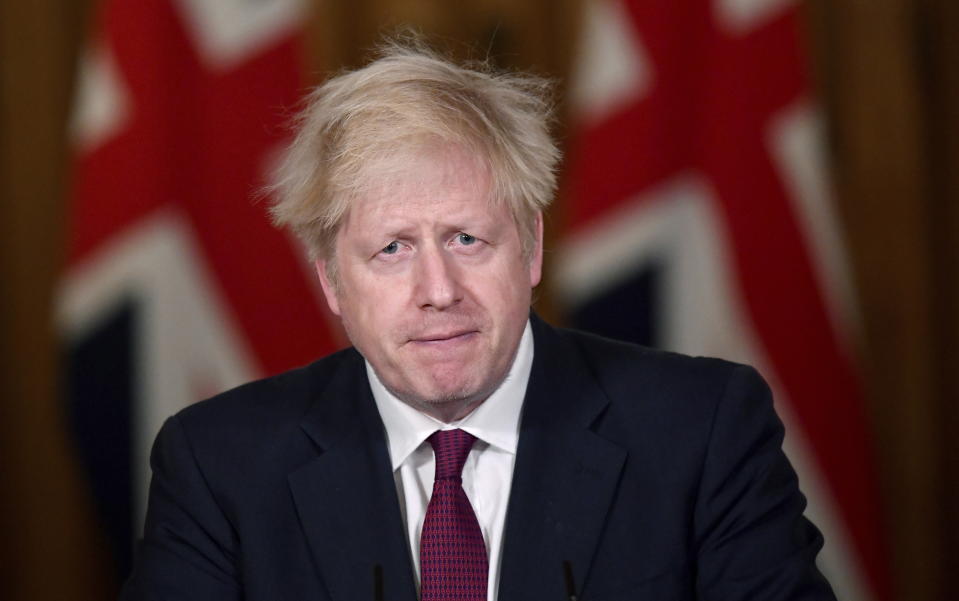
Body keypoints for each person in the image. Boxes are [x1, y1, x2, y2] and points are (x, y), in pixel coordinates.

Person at [121, 38, 836, 601]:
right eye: (392, 248)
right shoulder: (219, 465)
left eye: (467, 238)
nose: (438, 289)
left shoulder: (703, 429)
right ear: (331, 280)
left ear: (530, 246)